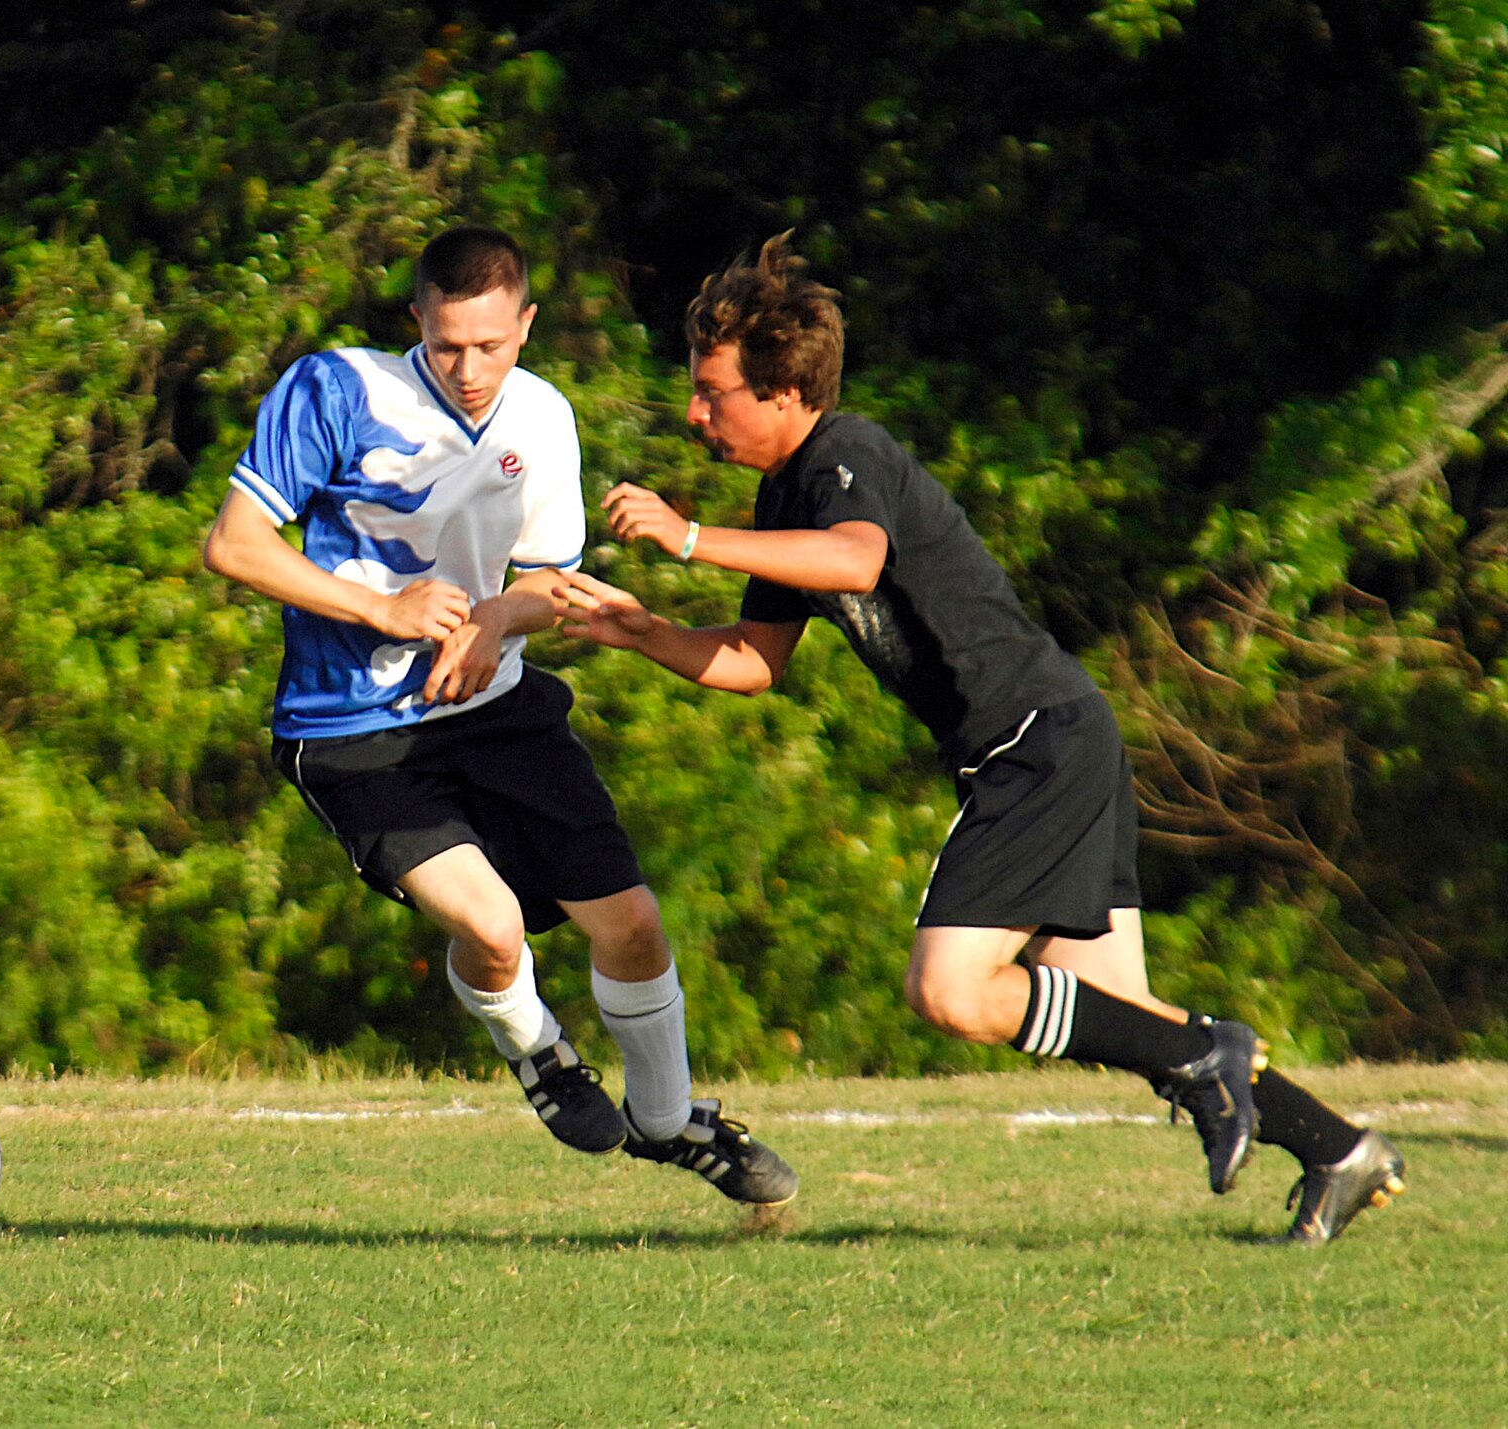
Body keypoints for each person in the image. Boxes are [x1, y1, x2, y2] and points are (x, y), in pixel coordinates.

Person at [561, 233, 1404, 1245]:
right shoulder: (787, 496)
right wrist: (643, 629)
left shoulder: (844, 458)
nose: (694, 414)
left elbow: (855, 561)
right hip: (1054, 741)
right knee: (1121, 1015)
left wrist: (688, 538)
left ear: (785, 392)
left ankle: (1212, 1054)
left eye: (713, 392)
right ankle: (1337, 1147)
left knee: (950, 989)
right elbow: (753, 660)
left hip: (1032, 743)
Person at [202, 224, 795, 1206]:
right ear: (416, 324)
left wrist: (497, 619)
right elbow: (235, 545)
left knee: (634, 925)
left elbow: (547, 582)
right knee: (492, 924)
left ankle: (670, 1124)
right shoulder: (335, 391)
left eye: (490, 345)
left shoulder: (542, 416)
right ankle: (540, 1054)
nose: (469, 369)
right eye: (446, 346)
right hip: (353, 732)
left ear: (523, 323)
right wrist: (384, 609)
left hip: (497, 709)